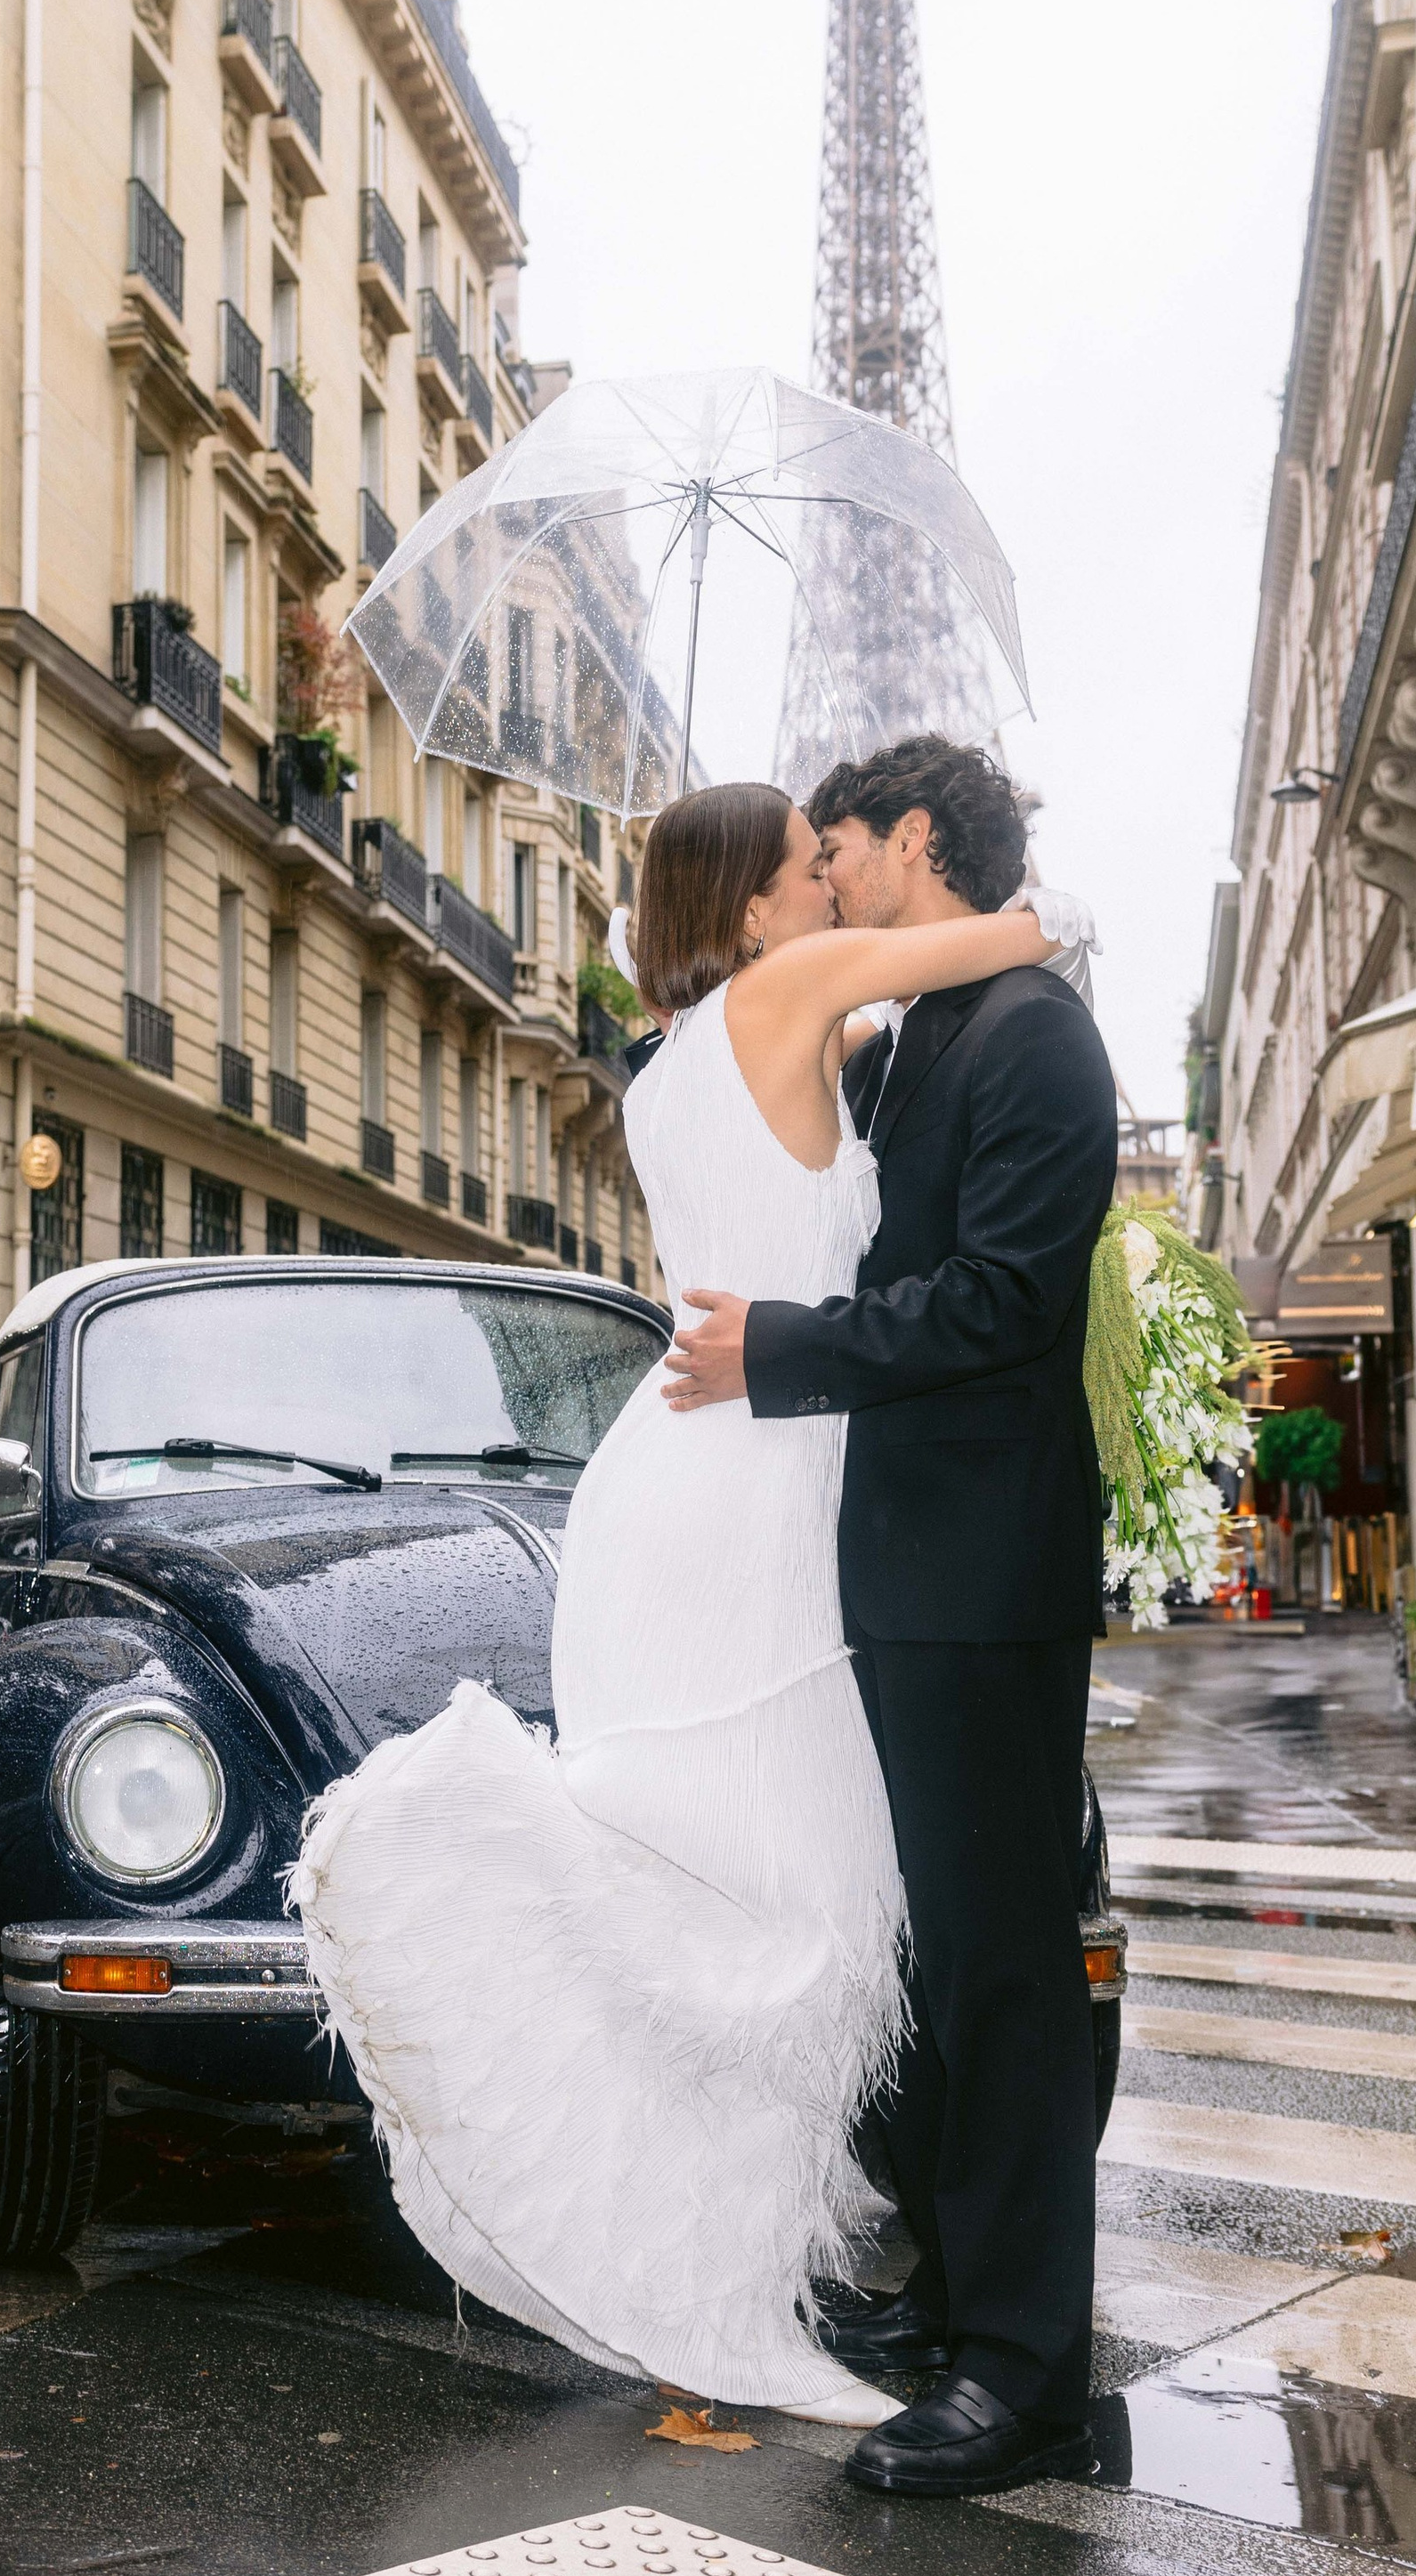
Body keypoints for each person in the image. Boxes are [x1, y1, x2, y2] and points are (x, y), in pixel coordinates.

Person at [287, 776, 1060, 2426]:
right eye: (809, 865)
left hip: (686, 1470)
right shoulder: (797, 997)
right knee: (802, 1887)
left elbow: (852, 1107)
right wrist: (1009, 908)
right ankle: (791, 2263)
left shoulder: (677, 1063)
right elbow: (1012, 937)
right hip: (761, 1476)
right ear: (758, 908)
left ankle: (767, 2240)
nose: (833, 886)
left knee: (747, 1872)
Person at [665, 735, 1117, 2497]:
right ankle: (949, 2303)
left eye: (838, 846)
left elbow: (1000, 1302)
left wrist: (776, 1352)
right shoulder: (925, 1034)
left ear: (913, 841)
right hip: (899, 1561)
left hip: (983, 1566)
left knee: (1002, 1964)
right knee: (934, 1950)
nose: (825, 874)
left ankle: (1024, 2376)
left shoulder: (1032, 1033)